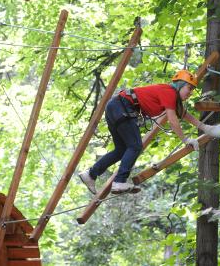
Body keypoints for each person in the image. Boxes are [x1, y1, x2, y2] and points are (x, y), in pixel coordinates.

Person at [79, 69, 212, 194]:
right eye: (189, 88)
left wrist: (204, 127)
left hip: (115, 107)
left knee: (121, 150)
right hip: (122, 106)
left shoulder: (170, 95)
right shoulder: (170, 92)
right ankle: (119, 182)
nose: (191, 93)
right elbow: (173, 120)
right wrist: (186, 140)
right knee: (135, 146)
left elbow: (183, 114)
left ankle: (91, 174)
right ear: (180, 85)